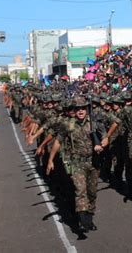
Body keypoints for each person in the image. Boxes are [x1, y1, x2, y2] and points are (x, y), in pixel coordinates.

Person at [47, 96, 103, 233]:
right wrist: (50, 160)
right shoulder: (68, 124)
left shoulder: (94, 123)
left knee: (92, 192)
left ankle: (89, 217)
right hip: (77, 163)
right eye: (77, 109)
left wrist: (101, 145)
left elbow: (106, 137)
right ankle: (82, 219)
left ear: (87, 109)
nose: (80, 111)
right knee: (80, 190)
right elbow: (58, 142)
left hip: (93, 162)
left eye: (83, 108)